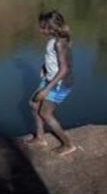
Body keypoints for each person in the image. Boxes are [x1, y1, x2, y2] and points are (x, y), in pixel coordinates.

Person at [25, 10, 77, 155]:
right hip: (50, 78)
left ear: (50, 27)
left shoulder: (60, 43)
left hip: (60, 83)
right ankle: (40, 138)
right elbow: (54, 61)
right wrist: (44, 67)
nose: (40, 29)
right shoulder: (54, 40)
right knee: (34, 104)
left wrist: (46, 89)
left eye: (42, 26)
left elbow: (64, 69)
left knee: (45, 113)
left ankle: (68, 144)